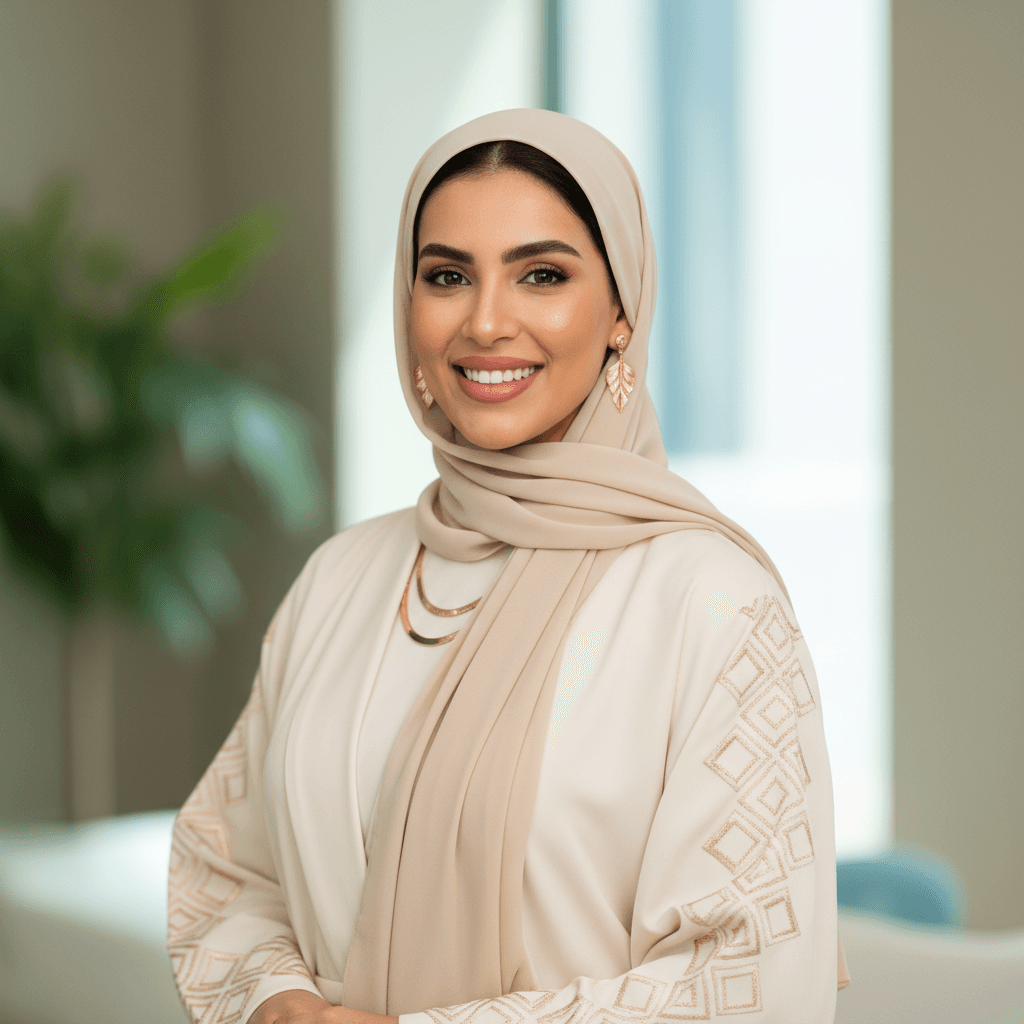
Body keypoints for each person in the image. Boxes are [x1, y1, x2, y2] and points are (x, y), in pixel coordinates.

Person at [168, 108, 848, 1024]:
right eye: (447, 275)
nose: (486, 322)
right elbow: (228, 867)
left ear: (620, 312)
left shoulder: (712, 603)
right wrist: (277, 1001)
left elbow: (751, 980)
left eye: (542, 275)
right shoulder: (342, 578)